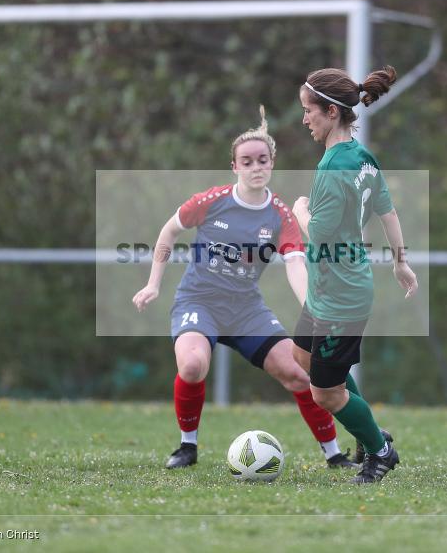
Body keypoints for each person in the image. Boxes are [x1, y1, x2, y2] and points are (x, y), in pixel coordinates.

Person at [132, 106, 356, 470]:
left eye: (262, 160)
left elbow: (296, 264)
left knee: (300, 373)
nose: (255, 167)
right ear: (234, 167)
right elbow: (169, 231)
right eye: (247, 162)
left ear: (271, 164)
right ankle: (187, 447)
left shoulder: (280, 216)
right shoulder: (211, 202)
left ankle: (333, 454)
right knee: (191, 366)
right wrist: (153, 283)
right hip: (199, 302)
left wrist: (311, 306)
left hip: (246, 310)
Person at [291, 66, 419, 484]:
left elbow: (322, 233)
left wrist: (300, 213)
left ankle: (381, 453)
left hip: (342, 297)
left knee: (324, 392)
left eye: (309, 111)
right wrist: (400, 261)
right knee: (302, 357)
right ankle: (367, 430)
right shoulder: (362, 156)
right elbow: (387, 210)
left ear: (331, 111)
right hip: (329, 289)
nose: (305, 119)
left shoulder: (333, 167)